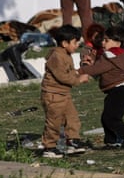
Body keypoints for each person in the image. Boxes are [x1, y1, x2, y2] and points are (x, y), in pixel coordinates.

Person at [39, 24, 92, 159]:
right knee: (54, 122)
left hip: (64, 94)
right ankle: (49, 147)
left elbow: (68, 72)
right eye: (75, 43)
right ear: (64, 43)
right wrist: (78, 80)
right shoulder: (57, 56)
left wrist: (79, 71)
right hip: (53, 95)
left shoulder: (65, 54)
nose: (76, 46)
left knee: (72, 118)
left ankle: (73, 141)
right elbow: (62, 76)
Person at [80, 25, 124, 150]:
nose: (102, 42)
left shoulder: (111, 56)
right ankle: (112, 141)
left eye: (106, 40)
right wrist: (92, 61)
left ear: (117, 42)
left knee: (111, 118)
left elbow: (97, 69)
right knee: (106, 118)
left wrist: (79, 71)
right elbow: (101, 66)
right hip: (118, 91)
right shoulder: (119, 55)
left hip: (119, 91)